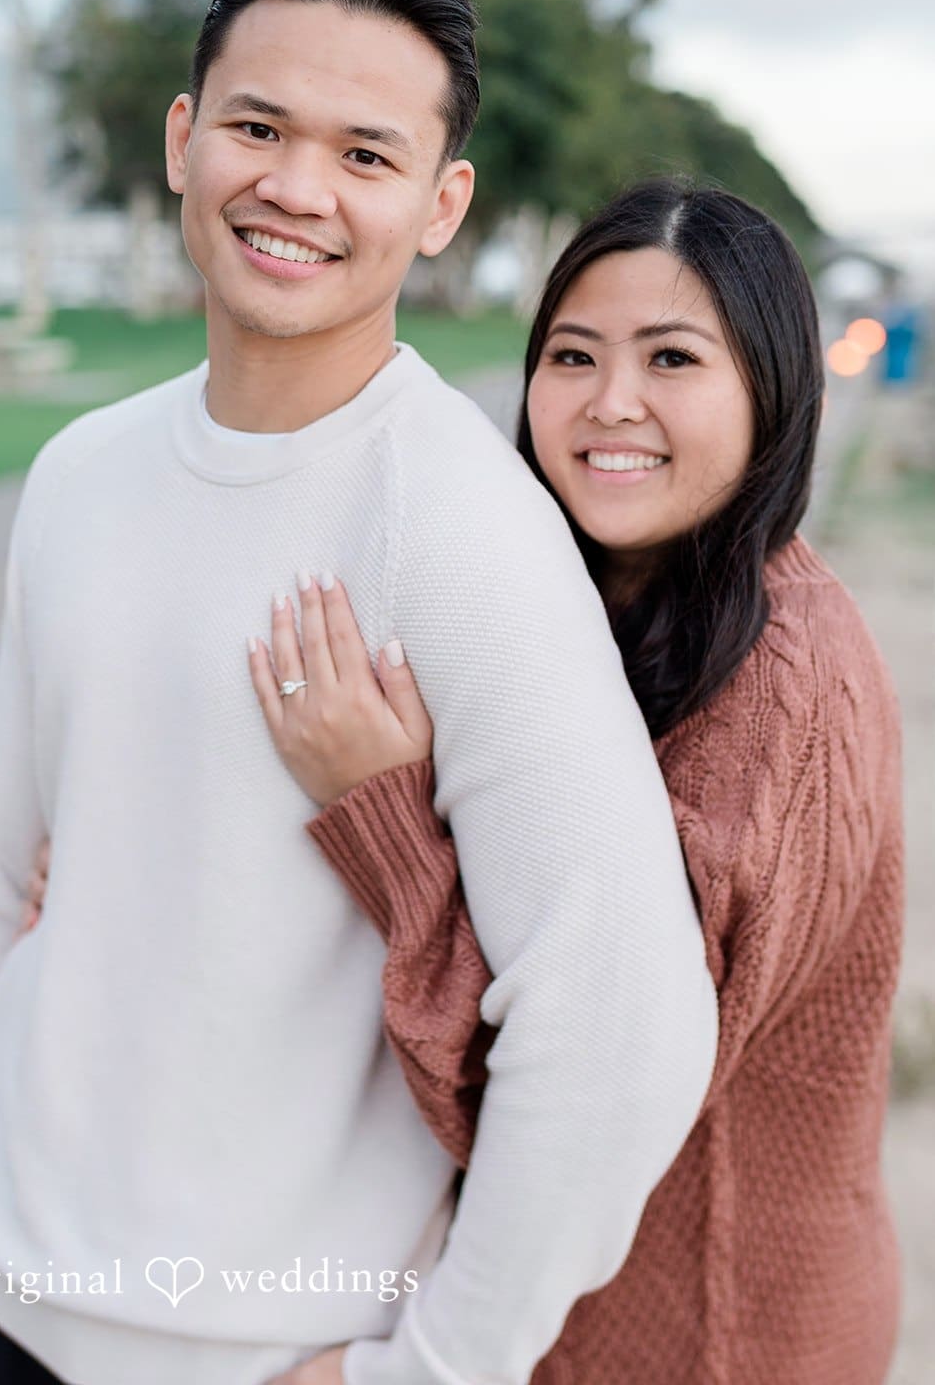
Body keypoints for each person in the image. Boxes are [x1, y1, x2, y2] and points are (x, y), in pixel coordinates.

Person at [0, 0, 717, 1385]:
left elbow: (617, 1024)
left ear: (441, 203)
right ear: (184, 136)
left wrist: (436, 1367)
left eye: (364, 154)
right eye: (257, 126)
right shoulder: (79, 472)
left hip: (255, 1349)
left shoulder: (462, 533)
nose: (295, 187)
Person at [242, 180, 905, 1384]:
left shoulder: (775, 692)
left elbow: (579, 1087)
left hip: (708, 1334)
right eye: (571, 353)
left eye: (670, 357)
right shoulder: (596, 599)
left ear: (772, 385)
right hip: (575, 1304)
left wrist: (381, 814)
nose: (610, 403)